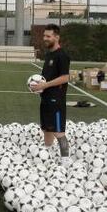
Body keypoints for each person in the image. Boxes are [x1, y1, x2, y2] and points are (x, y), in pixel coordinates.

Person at [30, 24, 71, 166]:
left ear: (57, 37)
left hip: (56, 100)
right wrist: (37, 86)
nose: (45, 39)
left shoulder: (62, 55)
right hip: (45, 98)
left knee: (59, 132)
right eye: (44, 36)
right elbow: (45, 77)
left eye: (48, 36)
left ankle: (65, 161)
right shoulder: (49, 55)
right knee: (46, 128)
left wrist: (44, 86)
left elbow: (65, 77)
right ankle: (46, 153)